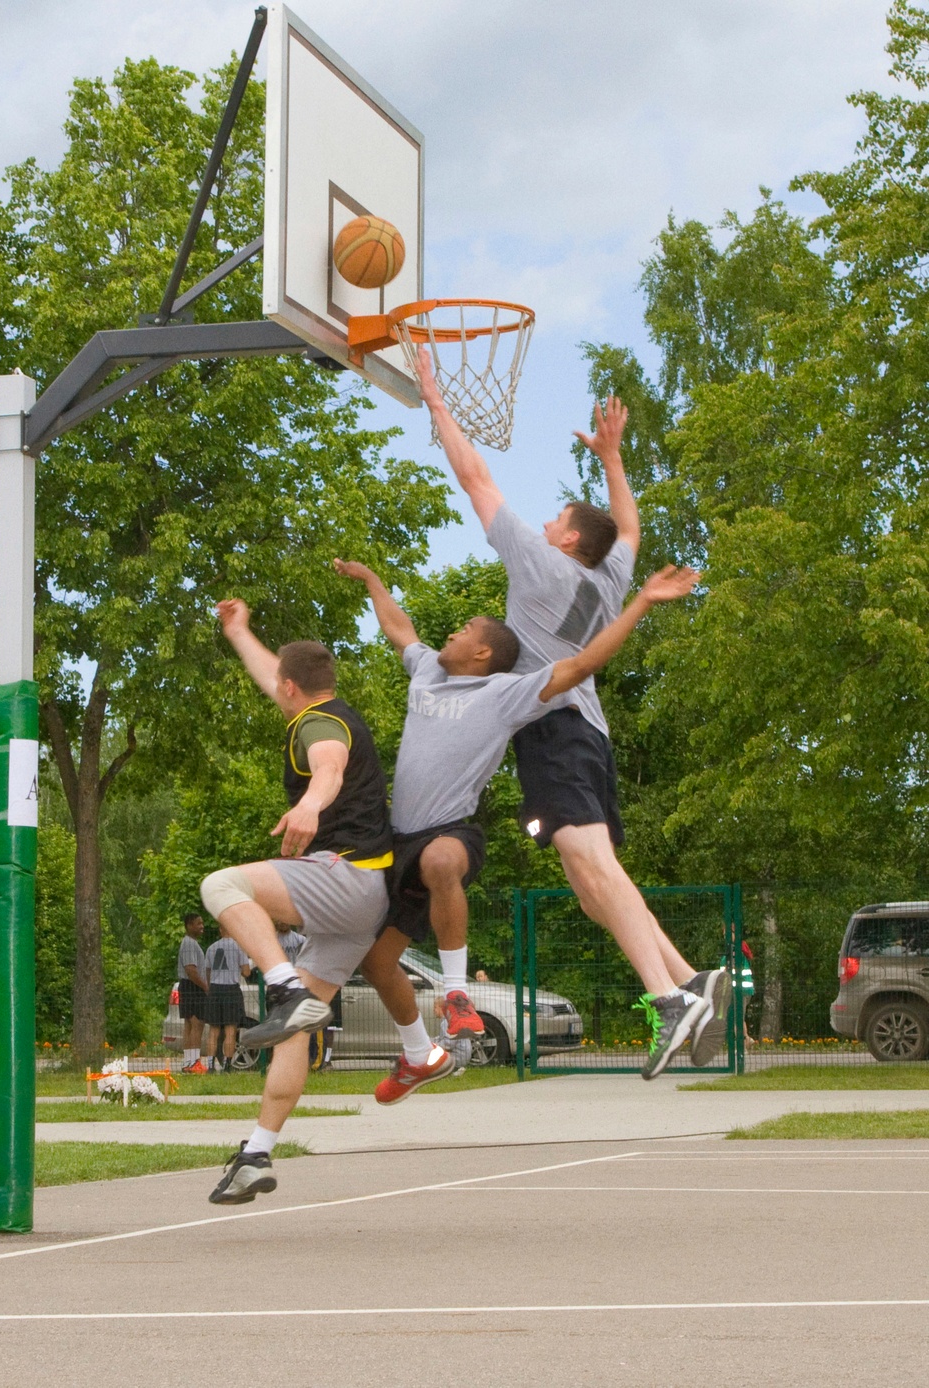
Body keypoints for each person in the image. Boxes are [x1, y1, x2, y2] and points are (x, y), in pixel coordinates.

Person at [414, 347, 730, 1079]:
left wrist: (437, 401)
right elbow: (630, 531)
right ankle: (688, 979)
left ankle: (670, 1000)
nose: (547, 520)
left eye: (557, 517)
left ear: (567, 541)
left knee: (589, 866)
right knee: (593, 886)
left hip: (556, 732)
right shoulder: (608, 580)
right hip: (588, 735)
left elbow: (475, 477)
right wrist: (613, 459)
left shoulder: (541, 563)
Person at [336, 555, 699, 1101]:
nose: (451, 634)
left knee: (440, 861)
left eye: (463, 630)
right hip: (399, 841)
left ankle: (457, 995)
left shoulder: (503, 694)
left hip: (452, 833)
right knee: (378, 961)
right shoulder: (428, 672)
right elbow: (399, 628)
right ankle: (418, 1055)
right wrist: (371, 581)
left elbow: (580, 665)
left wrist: (642, 602)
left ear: (482, 652)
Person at [200, 603, 394, 1203]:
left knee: (221, 886)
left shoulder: (317, 725)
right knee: (294, 1035)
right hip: (365, 903)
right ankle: (256, 1153)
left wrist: (310, 804)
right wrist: (238, 631)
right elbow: (274, 675)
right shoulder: (326, 705)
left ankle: (284, 989)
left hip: (343, 877)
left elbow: (328, 766)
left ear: (291, 688)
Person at [203, 923, 252, 1072]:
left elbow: (207, 971)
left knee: (214, 1030)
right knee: (230, 1030)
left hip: (215, 989)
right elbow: (246, 972)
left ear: (220, 929)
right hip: (231, 989)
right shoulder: (238, 947)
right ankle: (227, 1065)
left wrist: (211, 987)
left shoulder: (211, 948)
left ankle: (210, 1065)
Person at [177, 912, 209, 1074]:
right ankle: (194, 1062)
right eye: (198, 923)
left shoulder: (190, 943)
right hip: (192, 987)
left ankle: (188, 1062)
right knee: (197, 1023)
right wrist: (205, 986)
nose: (202, 926)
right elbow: (191, 970)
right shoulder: (189, 944)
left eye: (202, 923)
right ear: (189, 925)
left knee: (190, 1024)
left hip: (188, 986)